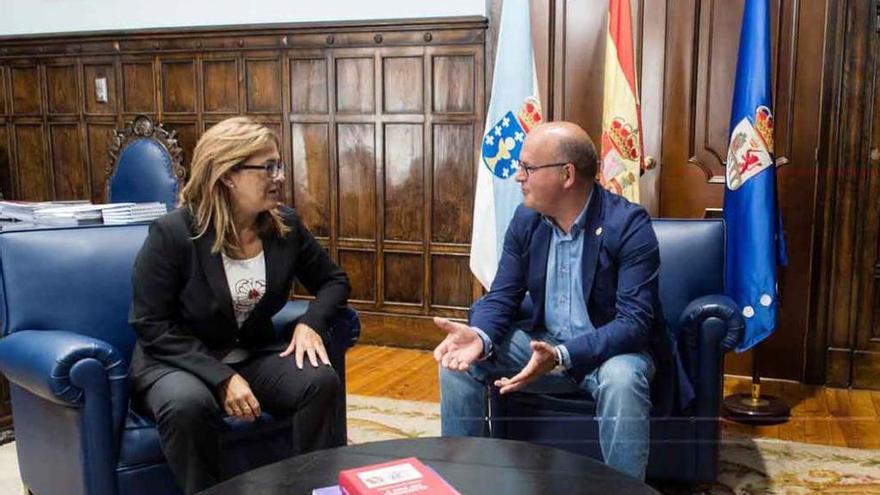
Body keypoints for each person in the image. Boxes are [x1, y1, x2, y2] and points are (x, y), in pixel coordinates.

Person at [435, 121, 682, 481]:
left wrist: (563, 356)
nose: (518, 176)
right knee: (457, 361)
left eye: (528, 168)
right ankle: (464, 479)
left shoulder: (628, 225)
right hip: (541, 346)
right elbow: (502, 295)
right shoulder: (526, 219)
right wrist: (479, 337)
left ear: (567, 175)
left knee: (623, 380)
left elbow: (634, 323)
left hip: (609, 353)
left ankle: (624, 492)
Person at [128, 117, 350, 494]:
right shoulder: (174, 233)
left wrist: (310, 322)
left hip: (251, 352)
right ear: (228, 175)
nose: (279, 176)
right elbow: (151, 324)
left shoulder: (285, 227)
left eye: (278, 165)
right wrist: (221, 378)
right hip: (177, 361)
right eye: (268, 167)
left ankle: (316, 488)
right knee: (187, 406)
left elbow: (334, 281)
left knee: (319, 382)